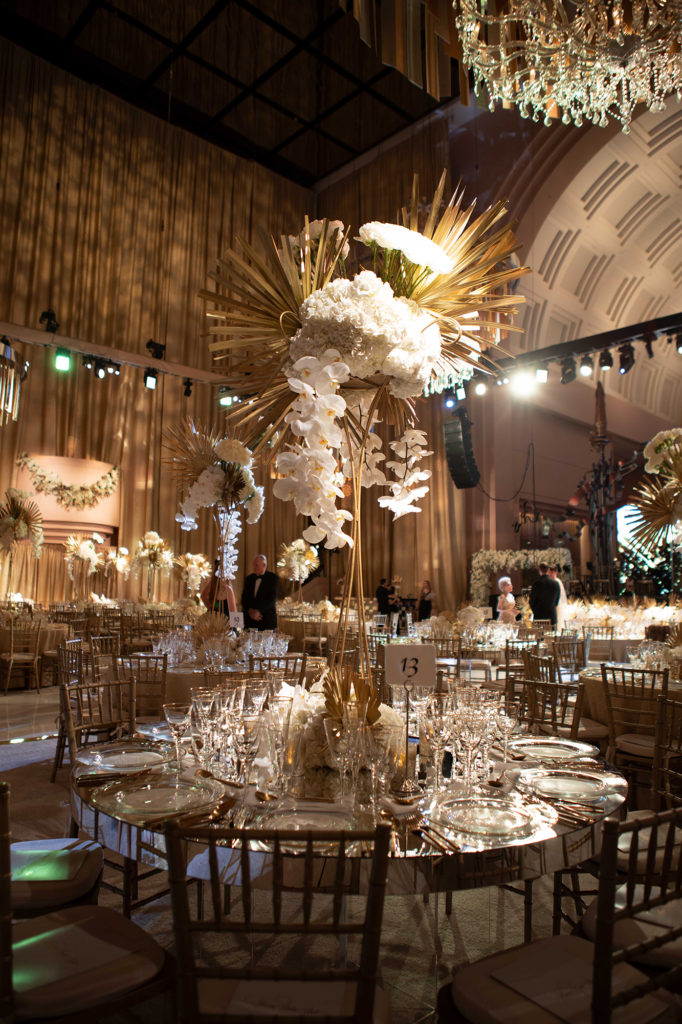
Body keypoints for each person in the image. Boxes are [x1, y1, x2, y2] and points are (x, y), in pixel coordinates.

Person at [241, 553, 278, 630]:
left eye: (256, 565)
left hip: (266, 620)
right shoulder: (249, 579)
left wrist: (258, 611)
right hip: (250, 621)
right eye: (253, 565)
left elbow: (271, 599)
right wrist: (250, 611)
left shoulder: (273, 578)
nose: (254, 567)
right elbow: (244, 598)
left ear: (264, 565)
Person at [548, 564, 568, 629]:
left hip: (557, 604)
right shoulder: (550, 581)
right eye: (549, 572)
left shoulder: (557, 582)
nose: (550, 574)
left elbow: (560, 596)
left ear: (555, 572)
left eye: (551, 572)